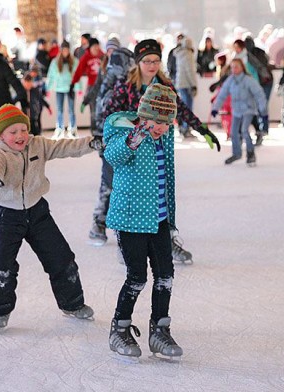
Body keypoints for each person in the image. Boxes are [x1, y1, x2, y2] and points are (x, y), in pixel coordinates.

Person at [0, 104, 102, 330]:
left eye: (23, 130)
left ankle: (73, 303)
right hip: (8, 217)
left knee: (61, 258)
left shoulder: (37, 144)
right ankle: (1, 309)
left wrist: (90, 143)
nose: (20, 136)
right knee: (1, 266)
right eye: (13, 131)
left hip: (38, 212)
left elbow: (64, 146)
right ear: (1, 135)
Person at [101, 39, 221, 263]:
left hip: (158, 150)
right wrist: (112, 138)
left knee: (161, 193)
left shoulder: (165, 86)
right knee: (119, 190)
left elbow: (181, 109)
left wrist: (202, 129)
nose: (152, 65)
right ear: (138, 63)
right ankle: (120, 237)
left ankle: (167, 240)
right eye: (147, 60)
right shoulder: (127, 86)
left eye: (156, 60)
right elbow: (110, 116)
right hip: (130, 150)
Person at [104, 83, 183, 361]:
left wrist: (170, 215)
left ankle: (160, 329)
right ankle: (120, 328)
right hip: (130, 219)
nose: (161, 127)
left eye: (167, 121)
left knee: (165, 276)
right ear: (144, 114)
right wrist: (135, 137)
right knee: (137, 277)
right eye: (156, 121)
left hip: (159, 218)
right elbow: (112, 157)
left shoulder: (165, 135)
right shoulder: (124, 129)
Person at [85, 37, 134, 245]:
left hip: (127, 140)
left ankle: (124, 227)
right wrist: (100, 137)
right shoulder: (112, 81)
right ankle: (99, 223)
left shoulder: (124, 82)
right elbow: (101, 109)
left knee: (123, 183)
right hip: (111, 141)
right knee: (110, 182)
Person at [211, 58, 267, 166]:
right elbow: (222, 94)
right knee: (233, 132)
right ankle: (236, 153)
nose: (234, 69)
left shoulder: (248, 80)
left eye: (236, 66)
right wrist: (215, 108)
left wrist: (263, 110)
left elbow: (259, 94)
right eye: (232, 67)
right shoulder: (230, 80)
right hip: (236, 110)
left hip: (248, 109)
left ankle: (251, 154)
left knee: (244, 130)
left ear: (242, 67)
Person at [70, 38, 104, 135]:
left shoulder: (103, 56)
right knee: (93, 112)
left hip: (103, 86)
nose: (96, 49)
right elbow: (79, 71)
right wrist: (73, 83)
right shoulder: (86, 57)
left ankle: (102, 131)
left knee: (102, 110)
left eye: (98, 46)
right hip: (92, 86)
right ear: (90, 47)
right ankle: (94, 133)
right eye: (94, 47)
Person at [46, 40, 78, 139]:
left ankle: (72, 129)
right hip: (59, 88)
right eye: (63, 50)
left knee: (71, 110)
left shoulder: (74, 61)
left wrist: (78, 87)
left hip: (70, 88)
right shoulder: (55, 62)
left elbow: (77, 74)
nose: (65, 52)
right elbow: (51, 75)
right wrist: (48, 88)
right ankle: (59, 128)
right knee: (60, 110)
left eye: (67, 50)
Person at [174, 36, 198, 138]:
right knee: (188, 108)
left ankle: (184, 127)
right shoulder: (188, 54)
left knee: (184, 107)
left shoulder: (180, 53)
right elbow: (190, 71)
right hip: (187, 84)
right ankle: (186, 128)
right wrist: (193, 85)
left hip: (180, 83)